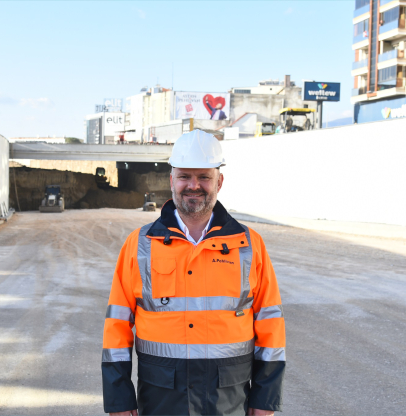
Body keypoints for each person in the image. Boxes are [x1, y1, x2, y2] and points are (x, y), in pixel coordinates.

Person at [101, 130, 286, 416]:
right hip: (161, 397)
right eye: (185, 176)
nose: (194, 185)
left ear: (219, 182)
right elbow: (117, 326)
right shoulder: (140, 245)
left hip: (228, 399)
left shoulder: (250, 245)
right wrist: (119, 400)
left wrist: (265, 399)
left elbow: (270, 325)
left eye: (204, 177)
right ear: (171, 179)